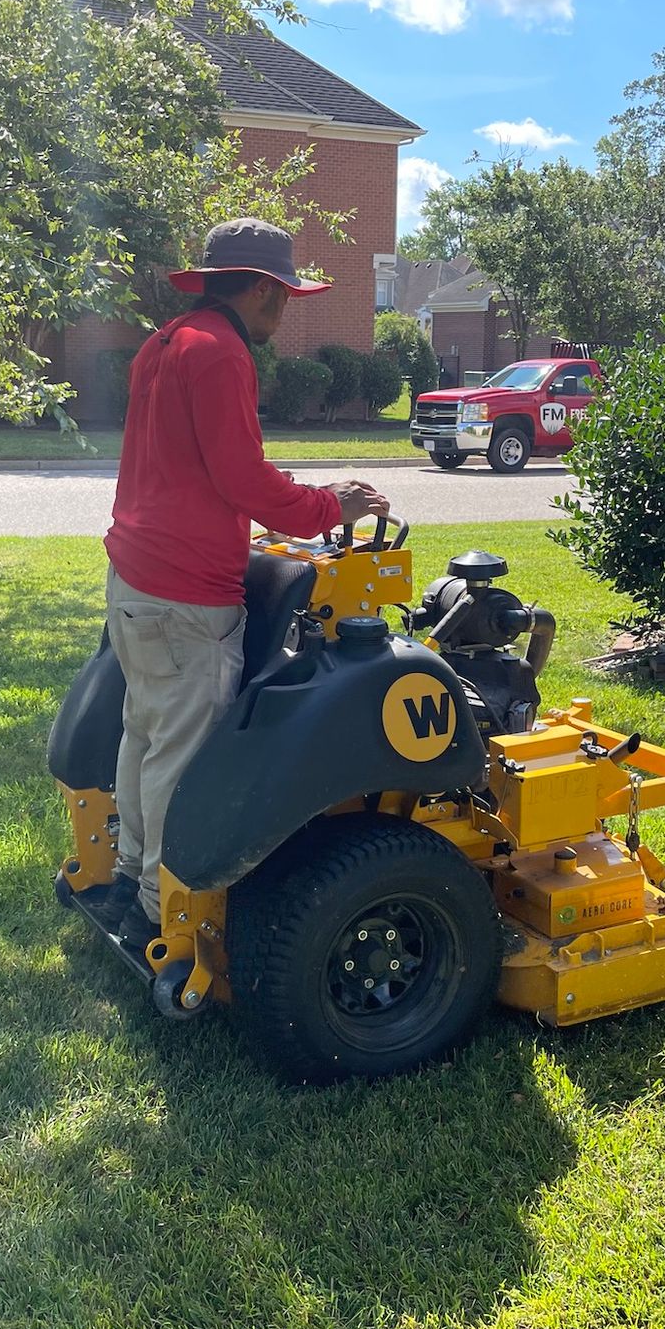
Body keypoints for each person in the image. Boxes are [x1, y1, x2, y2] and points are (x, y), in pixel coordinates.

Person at [100, 217, 389, 948]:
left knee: (145, 731)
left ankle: (129, 873)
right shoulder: (223, 353)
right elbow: (240, 478)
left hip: (134, 575)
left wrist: (295, 494)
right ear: (259, 288)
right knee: (185, 749)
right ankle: (159, 910)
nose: (286, 309)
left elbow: (202, 466)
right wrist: (332, 506)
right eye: (284, 295)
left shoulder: (164, 343)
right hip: (186, 594)